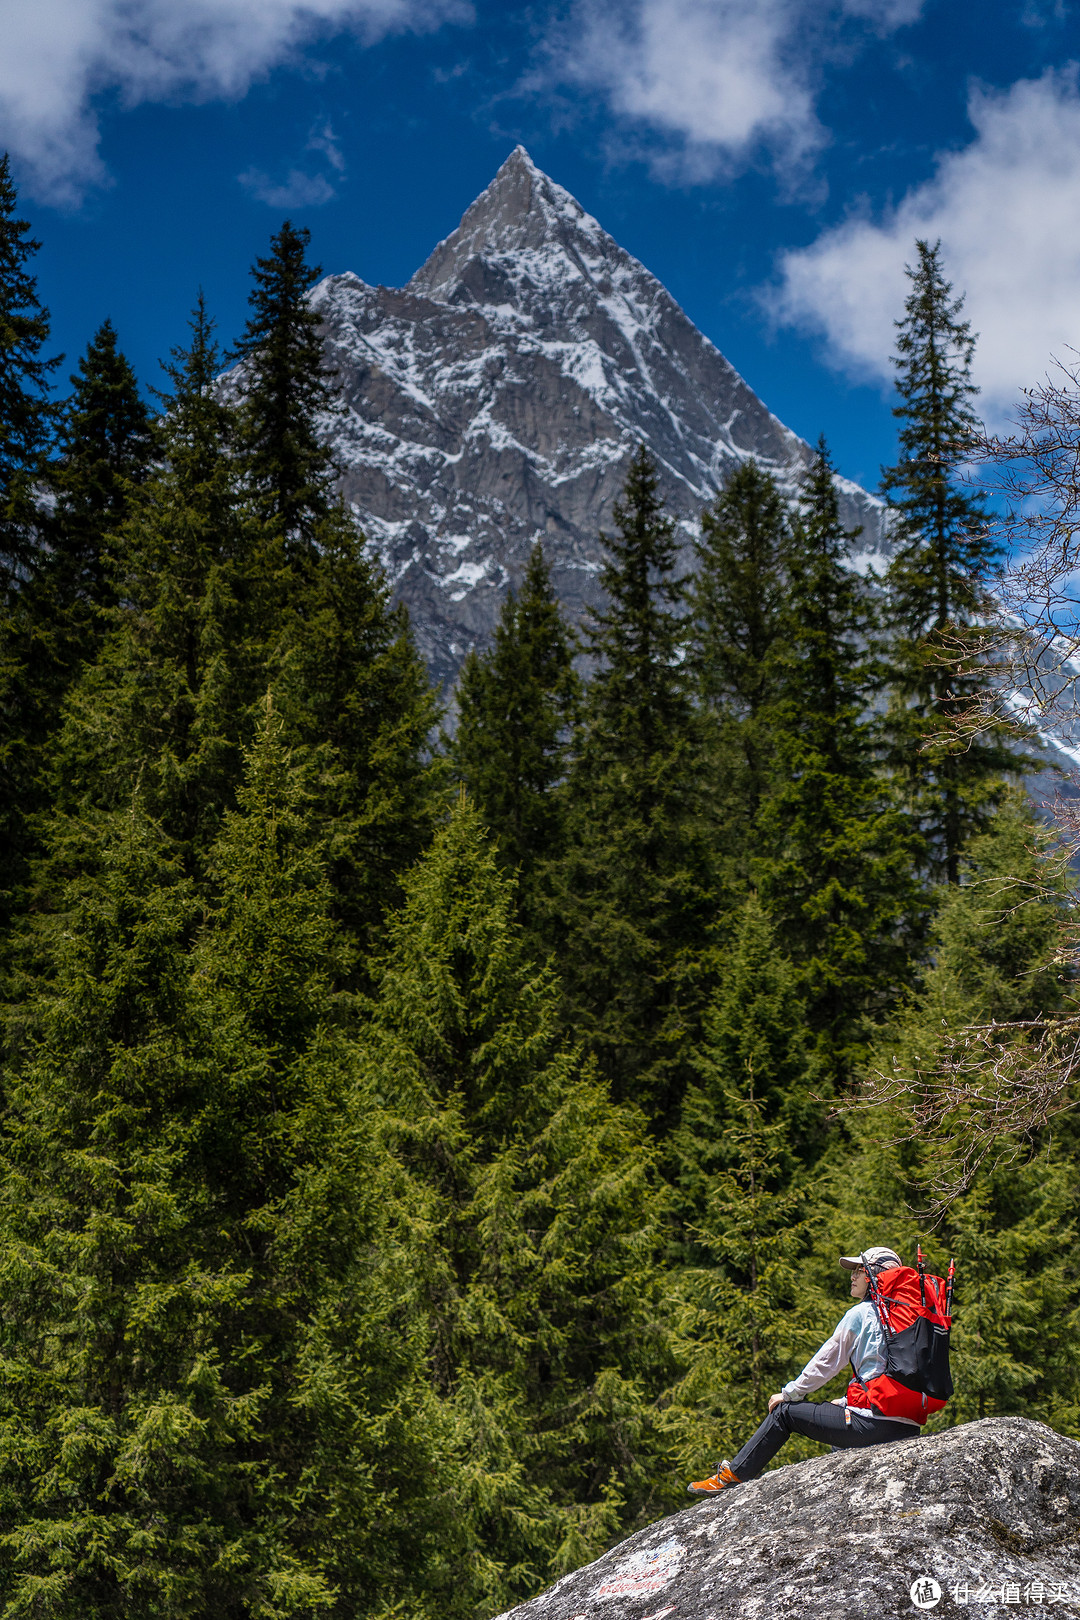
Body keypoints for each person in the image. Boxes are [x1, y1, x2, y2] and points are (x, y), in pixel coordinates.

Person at [687, 1246, 920, 1495]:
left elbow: (825, 1363)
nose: (852, 1276)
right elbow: (887, 1373)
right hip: (908, 1426)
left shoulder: (861, 1314)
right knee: (839, 1437)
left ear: (875, 1275)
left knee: (784, 1414)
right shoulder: (910, 1317)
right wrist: (845, 1402)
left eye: (858, 1270)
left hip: (874, 1425)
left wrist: (789, 1394)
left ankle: (733, 1476)